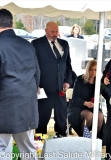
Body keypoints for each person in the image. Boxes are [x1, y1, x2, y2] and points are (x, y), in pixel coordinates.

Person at [0, 9, 40, 160]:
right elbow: (37, 74)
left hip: (4, 107)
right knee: (28, 151)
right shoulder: (28, 45)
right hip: (27, 106)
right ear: (12, 23)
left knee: (1, 149)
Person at [31, 21, 73, 137]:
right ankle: (39, 142)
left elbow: (68, 65)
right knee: (42, 118)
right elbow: (32, 66)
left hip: (61, 88)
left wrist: (67, 81)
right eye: (52, 31)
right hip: (43, 88)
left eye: (56, 31)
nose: (55, 34)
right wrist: (35, 85)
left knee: (61, 118)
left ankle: (60, 140)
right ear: (46, 31)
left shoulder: (64, 44)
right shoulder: (37, 44)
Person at [67, 60, 104, 138]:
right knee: (89, 116)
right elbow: (75, 99)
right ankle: (84, 138)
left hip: (92, 106)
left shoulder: (98, 82)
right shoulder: (80, 80)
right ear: (87, 69)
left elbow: (103, 93)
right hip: (78, 106)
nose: (93, 72)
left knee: (100, 117)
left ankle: (94, 139)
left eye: (96, 70)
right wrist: (86, 103)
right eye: (91, 69)